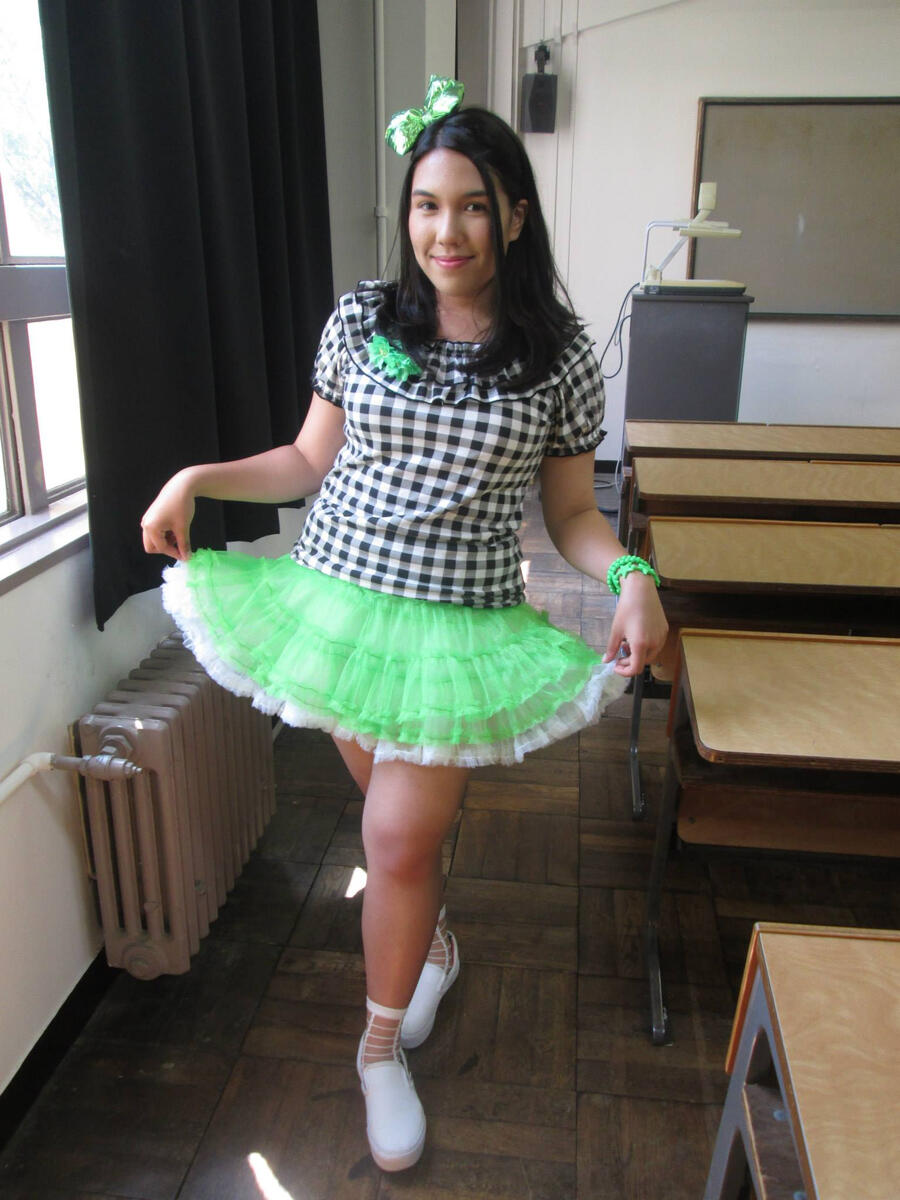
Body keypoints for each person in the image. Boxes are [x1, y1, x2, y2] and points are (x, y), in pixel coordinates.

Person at [141, 77, 668, 1173]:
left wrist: (631, 573)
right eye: (428, 205)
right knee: (400, 837)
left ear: (514, 214)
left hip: (455, 630)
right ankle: (431, 944)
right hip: (332, 612)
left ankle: (377, 1052)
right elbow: (306, 460)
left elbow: (572, 514)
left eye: (472, 206)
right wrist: (198, 475)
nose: (446, 231)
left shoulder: (561, 355)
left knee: (392, 839)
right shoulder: (363, 318)